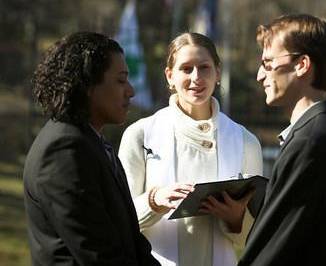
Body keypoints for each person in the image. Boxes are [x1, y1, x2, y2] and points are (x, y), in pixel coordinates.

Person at [118, 32, 263, 266]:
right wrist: (154, 201)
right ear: (170, 76)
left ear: (217, 73)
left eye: (204, 68)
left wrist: (236, 219)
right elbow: (118, 220)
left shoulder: (245, 141)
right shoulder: (140, 135)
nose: (196, 77)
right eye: (186, 69)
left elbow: (257, 234)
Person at [238, 14, 326, 266]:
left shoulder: (313, 140)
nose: (259, 75)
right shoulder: (324, 131)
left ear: (302, 64)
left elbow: (275, 248)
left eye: (268, 63)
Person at [23, 32, 160, 266]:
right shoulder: (64, 150)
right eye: (120, 80)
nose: (131, 91)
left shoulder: (91, 141)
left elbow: (132, 243)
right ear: (87, 85)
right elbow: (99, 254)